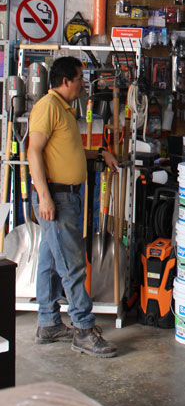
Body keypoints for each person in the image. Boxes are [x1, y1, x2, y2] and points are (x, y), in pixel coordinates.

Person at [28, 56, 117, 357]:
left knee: (51, 263)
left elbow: (71, 151)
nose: (83, 84)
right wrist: (44, 197)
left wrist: (100, 153)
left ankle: (48, 323)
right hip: (56, 198)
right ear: (65, 81)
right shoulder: (48, 107)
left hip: (65, 197)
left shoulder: (64, 109)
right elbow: (33, 152)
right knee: (72, 266)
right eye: (80, 79)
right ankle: (83, 329)